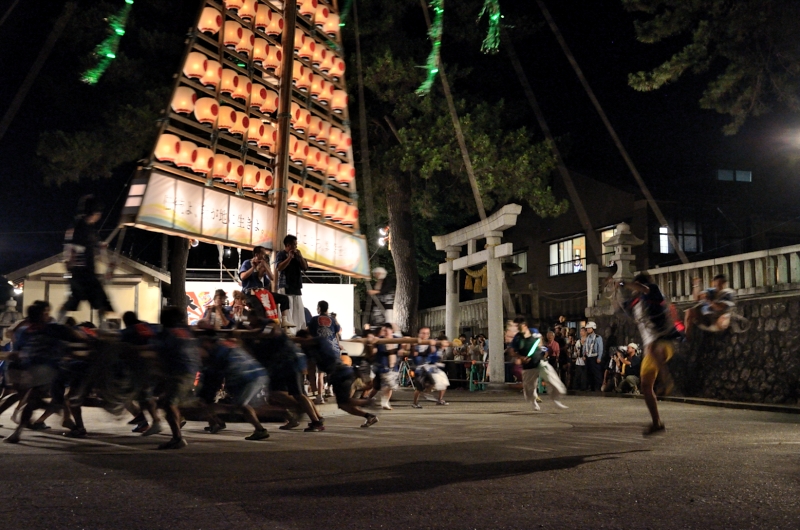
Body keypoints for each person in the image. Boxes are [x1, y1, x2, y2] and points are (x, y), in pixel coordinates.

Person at [616, 273, 681, 435]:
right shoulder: (634, 303)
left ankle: (667, 381)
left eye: (635, 285)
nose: (633, 289)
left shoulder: (652, 291)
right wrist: (614, 291)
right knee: (646, 386)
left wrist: (625, 283)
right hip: (651, 350)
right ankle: (656, 422)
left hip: (664, 342)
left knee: (652, 347)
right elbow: (618, 309)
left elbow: (643, 288)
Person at [197, 333, 270, 441]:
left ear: (207, 343)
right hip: (256, 373)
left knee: (242, 405)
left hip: (250, 377)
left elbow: (216, 373)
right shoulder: (228, 345)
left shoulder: (217, 353)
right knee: (243, 405)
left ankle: (261, 429)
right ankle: (217, 421)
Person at [147, 306, 201, 449]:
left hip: (180, 373)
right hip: (194, 371)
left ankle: (178, 438)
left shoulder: (166, 334)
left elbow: (155, 351)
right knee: (168, 401)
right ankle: (177, 434)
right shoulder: (186, 331)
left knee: (169, 404)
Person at [58, 195, 114, 326]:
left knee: (74, 300)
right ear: (95, 213)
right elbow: (72, 250)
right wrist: (70, 269)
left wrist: (100, 247)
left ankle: (58, 324)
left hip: (80, 272)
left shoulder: (83, 228)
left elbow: (91, 248)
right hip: (83, 272)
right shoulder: (81, 228)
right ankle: (103, 329)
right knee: (100, 301)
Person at [508, 317, 568, 411]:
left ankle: (556, 399)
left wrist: (539, 344)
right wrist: (521, 357)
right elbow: (511, 351)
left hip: (540, 360)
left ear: (524, 325)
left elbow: (539, 339)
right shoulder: (517, 338)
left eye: (518, 325)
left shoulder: (533, 331)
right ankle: (533, 401)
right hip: (528, 365)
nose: (517, 328)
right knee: (529, 387)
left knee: (552, 378)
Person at [239, 246, 293, 328]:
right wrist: (253, 267)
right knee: (259, 306)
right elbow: (242, 277)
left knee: (284, 298)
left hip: (262, 292)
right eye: (263, 253)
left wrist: (265, 266)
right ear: (257, 254)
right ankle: (261, 326)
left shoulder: (263, 264)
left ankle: (284, 320)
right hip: (249, 293)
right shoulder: (247, 263)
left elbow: (271, 278)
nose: (264, 255)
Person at [307, 301, 341, 404]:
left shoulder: (314, 319)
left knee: (320, 374)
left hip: (321, 349)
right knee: (331, 372)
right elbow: (337, 332)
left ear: (319, 308)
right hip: (333, 348)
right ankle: (330, 388)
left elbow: (309, 332)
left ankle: (319, 396)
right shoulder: (333, 320)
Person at [684, 274, 736, 340]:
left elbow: (720, 307)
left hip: (719, 318)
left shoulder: (728, 293)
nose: (718, 287)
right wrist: (696, 285)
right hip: (705, 317)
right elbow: (696, 298)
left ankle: (720, 337)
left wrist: (708, 301)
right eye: (716, 285)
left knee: (723, 319)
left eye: (720, 284)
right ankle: (686, 337)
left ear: (724, 283)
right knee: (689, 311)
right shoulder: (711, 291)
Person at [276, 235, 308, 333]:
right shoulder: (281, 254)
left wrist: (300, 256)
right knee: (288, 309)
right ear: (288, 245)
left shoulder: (298, 255)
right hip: (285, 286)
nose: (296, 247)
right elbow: (279, 267)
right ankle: (289, 332)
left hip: (296, 286)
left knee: (298, 311)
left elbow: (305, 267)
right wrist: (289, 257)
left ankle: (298, 331)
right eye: (294, 245)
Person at [583, 321, 604, 391]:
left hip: (595, 357)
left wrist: (599, 357)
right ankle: (591, 387)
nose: (588, 330)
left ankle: (598, 387)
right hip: (588, 357)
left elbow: (600, 348)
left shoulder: (598, 337)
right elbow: (584, 347)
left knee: (596, 373)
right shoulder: (587, 337)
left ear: (593, 328)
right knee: (589, 372)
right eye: (587, 328)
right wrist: (583, 355)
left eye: (589, 328)